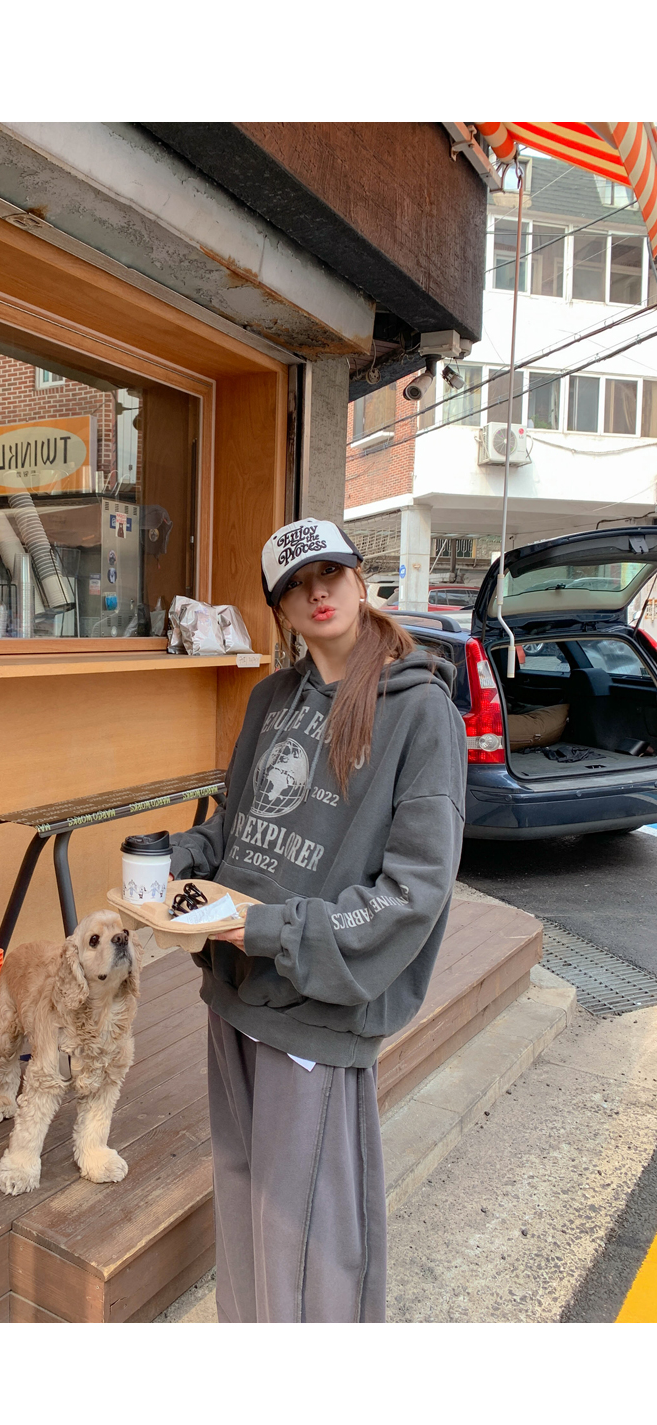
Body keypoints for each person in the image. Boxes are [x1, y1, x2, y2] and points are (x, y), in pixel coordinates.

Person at [168, 518, 467, 1323]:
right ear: (281, 611)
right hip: (233, 991)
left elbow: (414, 889)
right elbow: (235, 827)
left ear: (359, 579)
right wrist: (176, 858)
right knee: (244, 1222)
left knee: (307, 1252)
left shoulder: (420, 712)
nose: (318, 593)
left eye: (330, 573)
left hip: (315, 1012)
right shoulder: (270, 699)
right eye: (296, 586)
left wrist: (274, 931)